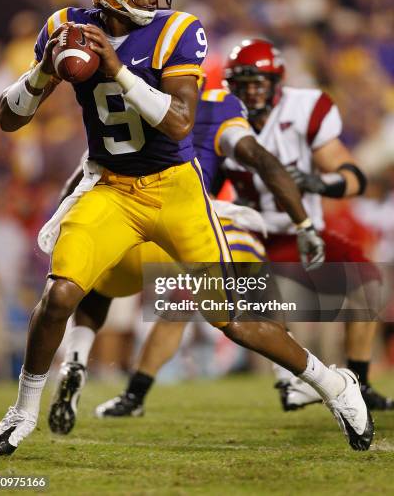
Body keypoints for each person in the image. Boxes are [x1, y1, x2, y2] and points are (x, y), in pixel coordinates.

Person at [0, 0, 372, 456]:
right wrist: (40, 72)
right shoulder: (64, 27)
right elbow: (10, 120)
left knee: (234, 319)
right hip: (110, 187)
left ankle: (336, 386)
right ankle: (22, 410)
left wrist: (116, 70)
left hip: (175, 188)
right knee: (59, 297)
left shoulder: (177, 30)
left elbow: (179, 123)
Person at [47, 83, 371, 451]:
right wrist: (304, 224)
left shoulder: (123, 96)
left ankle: (86, 366)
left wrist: (61, 223)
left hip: (125, 219)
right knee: (240, 299)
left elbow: (85, 172)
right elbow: (263, 160)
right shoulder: (216, 108)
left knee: (116, 292)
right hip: (192, 222)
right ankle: (295, 379)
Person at [90, 39, 391, 420]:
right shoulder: (215, 114)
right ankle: (135, 394)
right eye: (242, 83)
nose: (250, 91)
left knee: (365, 281)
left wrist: (319, 184)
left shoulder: (305, 107)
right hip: (246, 230)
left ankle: (358, 384)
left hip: (299, 232)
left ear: (276, 81)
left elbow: (353, 177)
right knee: (182, 299)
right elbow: (200, 182)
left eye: (258, 83)